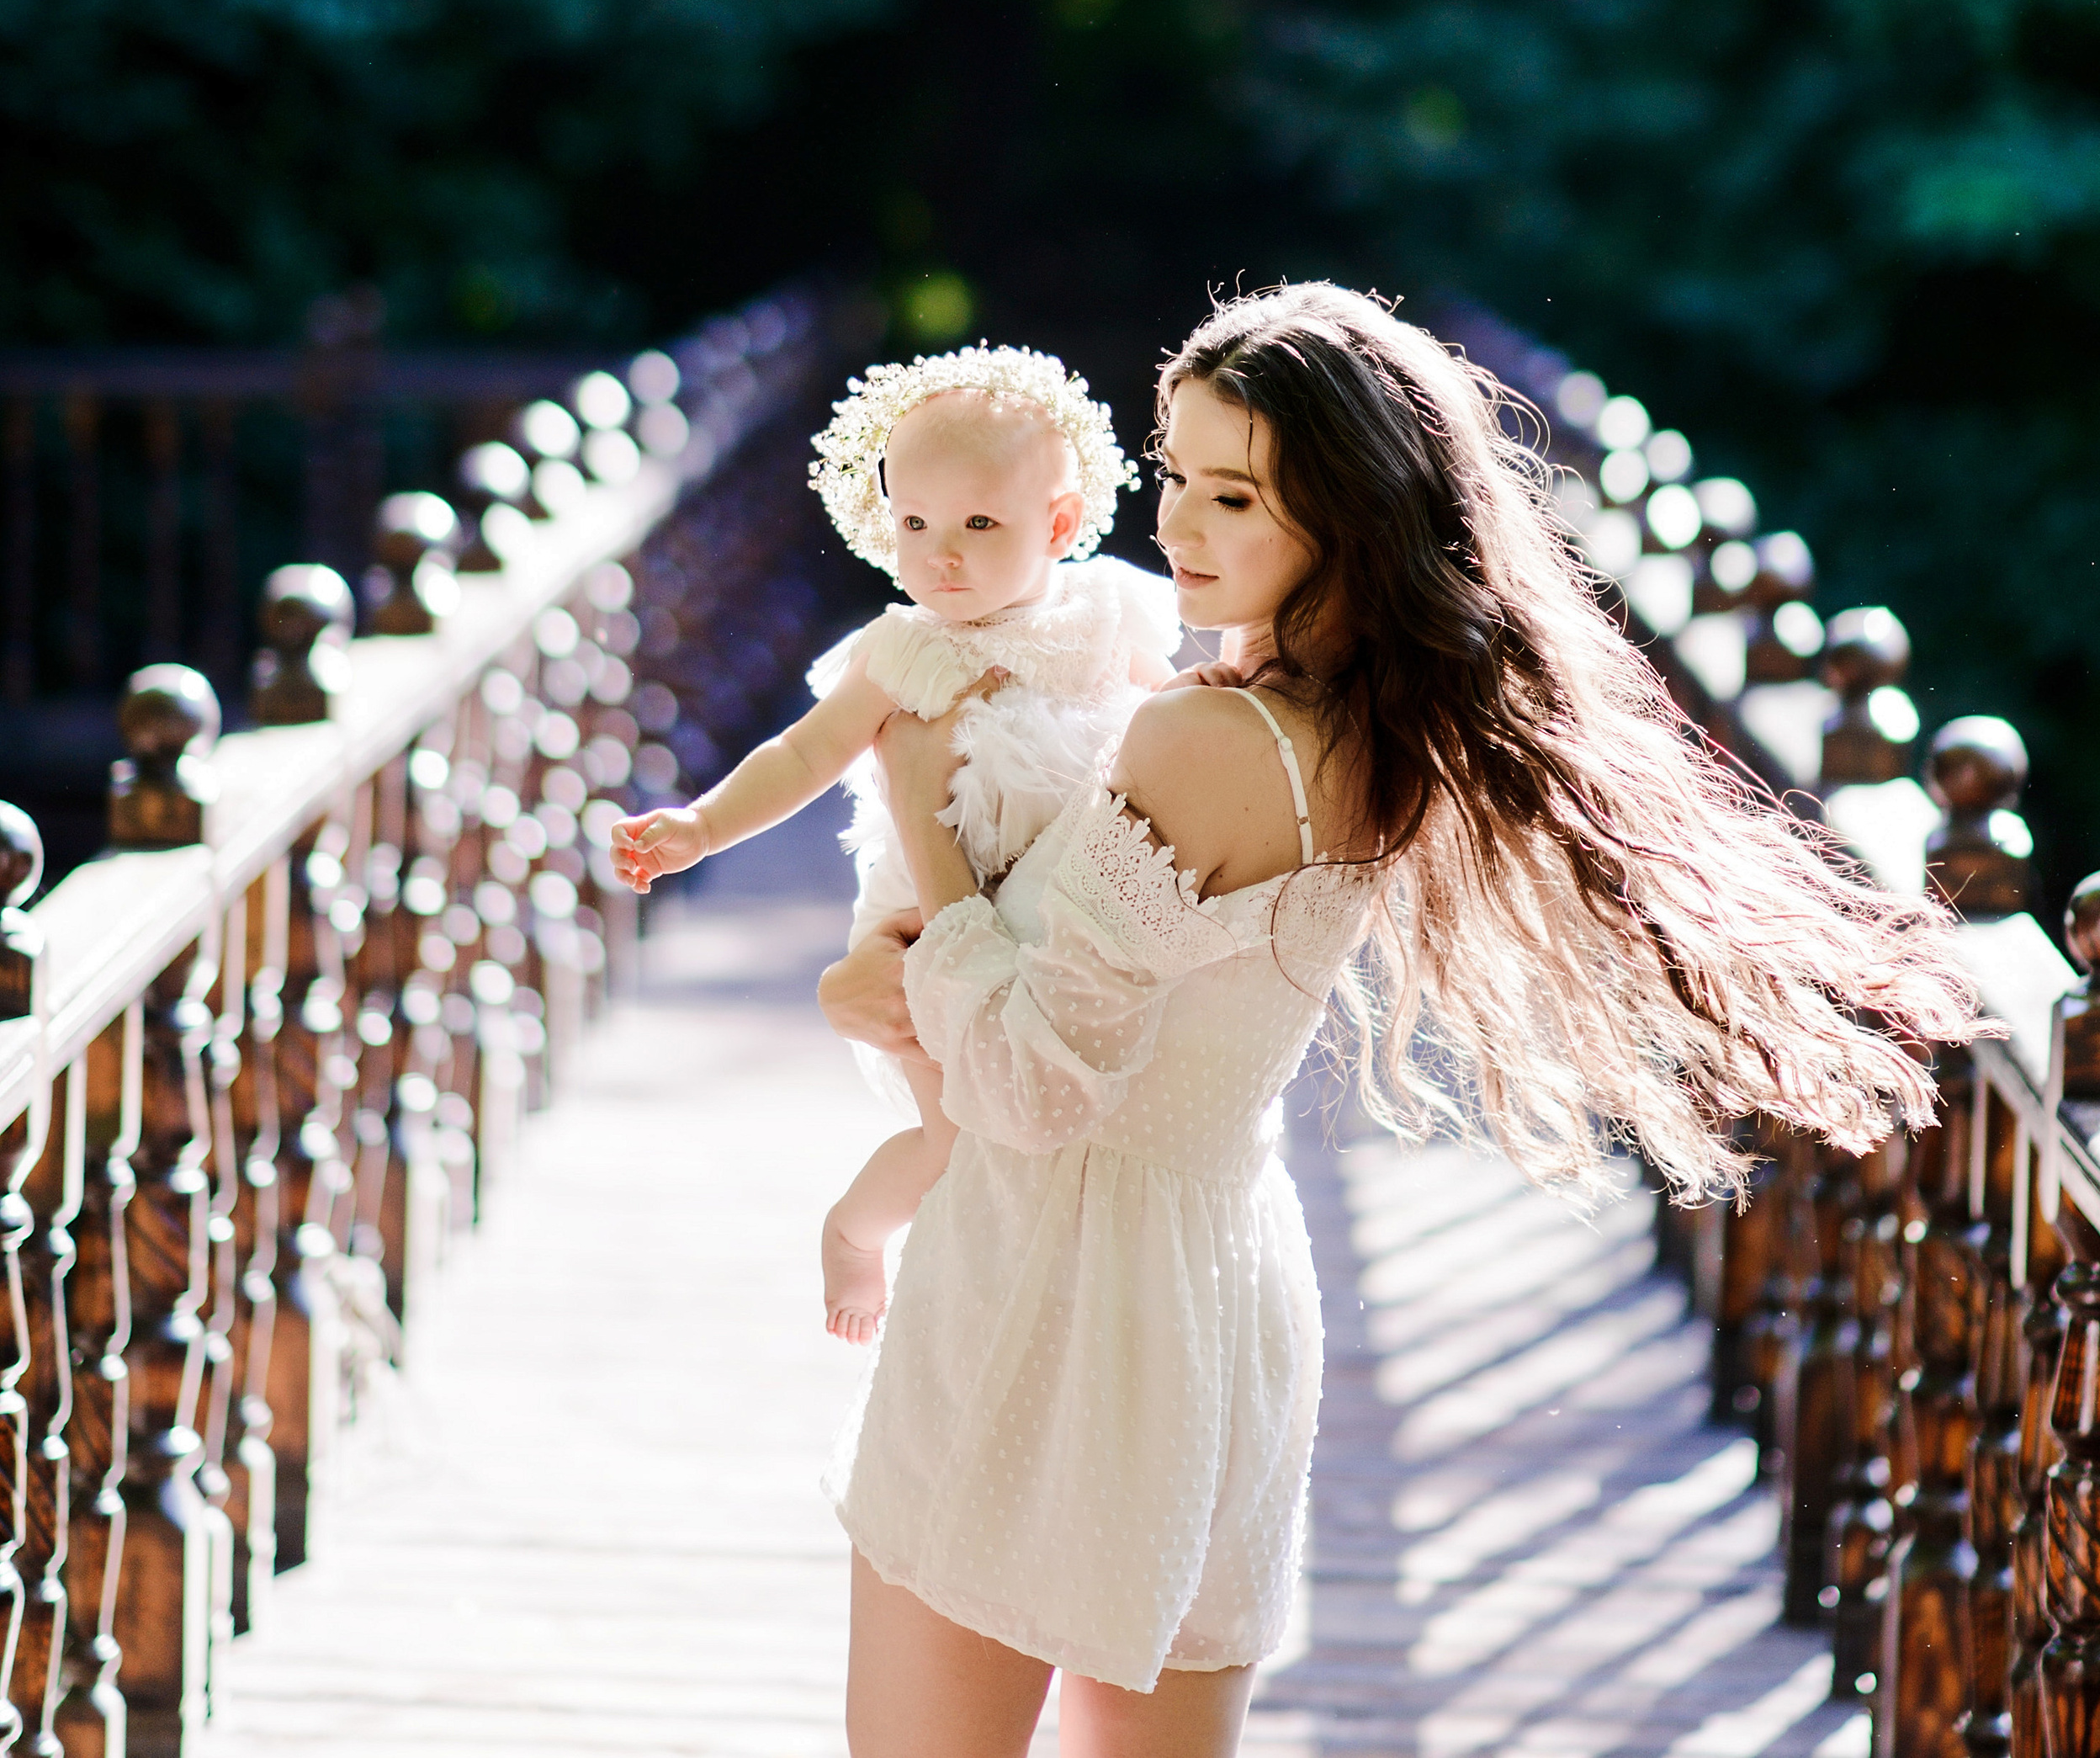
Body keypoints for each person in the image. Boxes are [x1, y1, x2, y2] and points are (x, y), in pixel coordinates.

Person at [816, 279, 1980, 1758]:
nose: (1175, 526)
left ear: (1346, 514)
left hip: (1047, 1286)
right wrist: (922, 983)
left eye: (1233, 495)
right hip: (1213, 1287)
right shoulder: (1358, 730)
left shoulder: (1205, 734)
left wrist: (919, 832)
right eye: (1173, 474)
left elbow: (1035, 1087)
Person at [612, 344, 1179, 1338]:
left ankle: (1050, 1314)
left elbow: (1167, 718)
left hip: (1064, 910)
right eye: (913, 523)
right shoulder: (905, 648)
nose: (939, 555)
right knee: (960, 1129)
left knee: (1065, 1115)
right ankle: (857, 1233)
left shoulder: (1103, 613)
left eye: (977, 524)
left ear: (1059, 523)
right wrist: (700, 827)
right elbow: (800, 755)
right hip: (928, 920)